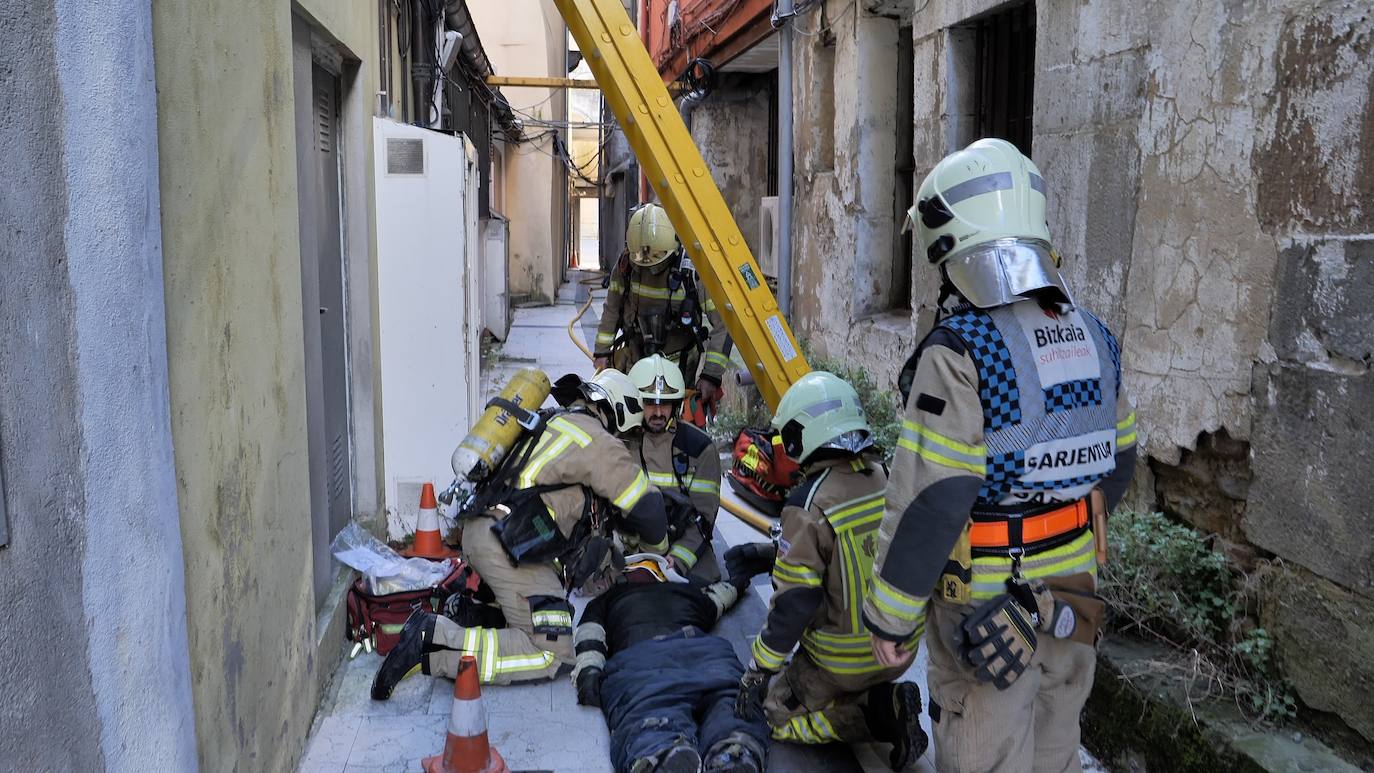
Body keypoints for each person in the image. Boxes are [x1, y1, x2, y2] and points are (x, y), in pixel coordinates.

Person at [862, 138, 1138, 773]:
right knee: (1055, 752)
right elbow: (1118, 464)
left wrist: (891, 617)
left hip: (983, 622)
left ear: (952, 244)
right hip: (1073, 606)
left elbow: (932, 497)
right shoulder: (1095, 336)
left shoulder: (962, 350)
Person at [372, 369, 670, 695]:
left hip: (485, 532)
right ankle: (433, 640)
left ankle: (479, 613)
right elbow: (648, 509)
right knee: (551, 650)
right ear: (621, 411)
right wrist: (661, 553)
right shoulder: (597, 441)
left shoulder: (551, 421)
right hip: (507, 546)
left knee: (550, 609)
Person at [733, 372, 928, 771]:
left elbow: (794, 604)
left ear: (801, 435)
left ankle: (879, 713)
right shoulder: (882, 475)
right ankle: (877, 696)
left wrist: (759, 668)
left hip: (844, 661)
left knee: (773, 715)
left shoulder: (808, 504)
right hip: (900, 644)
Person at [572, 548, 776, 773]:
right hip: (707, 655)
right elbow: (720, 597)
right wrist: (739, 581)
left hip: (643, 662)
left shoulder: (608, 599)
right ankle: (734, 750)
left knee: (650, 712)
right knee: (730, 703)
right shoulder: (687, 591)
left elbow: (590, 636)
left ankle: (661, 751)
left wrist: (588, 673)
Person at [593, 203, 732, 413]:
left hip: (681, 364)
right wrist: (602, 353)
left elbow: (723, 324)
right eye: (641, 260)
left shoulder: (691, 271)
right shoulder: (626, 265)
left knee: (676, 422)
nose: (648, 266)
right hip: (637, 357)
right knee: (635, 416)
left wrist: (710, 376)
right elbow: (612, 308)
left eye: (656, 261)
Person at [623, 354, 723, 581]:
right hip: (630, 547)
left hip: (680, 544)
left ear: (676, 405)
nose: (658, 413)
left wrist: (676, 562)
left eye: (664, 404)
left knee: (698, 593)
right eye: (650, 403)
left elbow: (703, 519)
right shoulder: (621, 443)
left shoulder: (700, 449)